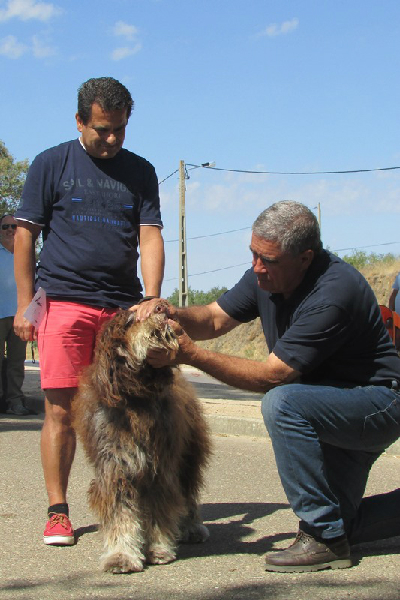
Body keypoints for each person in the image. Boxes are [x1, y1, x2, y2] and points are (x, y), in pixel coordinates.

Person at [138, 200, 400, 573]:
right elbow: (212, 320)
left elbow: (271, 377)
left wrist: (189, 355)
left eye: (269, 260)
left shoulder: (334, 292)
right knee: (346, 523)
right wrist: (172, 313)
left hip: (377, 402)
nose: (257, 267)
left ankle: (323, 539)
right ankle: (334, 531)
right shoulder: (265, 275)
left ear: (305, 258)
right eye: (253, 254)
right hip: (328, 404)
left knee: (282, 403)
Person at [13, 77, 165, 546]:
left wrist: (152, 296)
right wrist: (24, 305)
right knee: (62, 412)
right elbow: (24, 234)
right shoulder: (50, 163)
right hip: (64, 303)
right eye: (103, 129)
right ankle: (58, 510)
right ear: (80, 121)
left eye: (120, 129)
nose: (113, 138)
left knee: (129, 413)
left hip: (121, 313)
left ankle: (126, 501)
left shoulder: (140, 171)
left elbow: (150, 236)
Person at [0, 214, 28, 415]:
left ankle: (15, 401)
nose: (10, 230)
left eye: (14, 227)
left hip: (20, 316)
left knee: (16, 363)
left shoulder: (26, 254)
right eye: (5, 226)